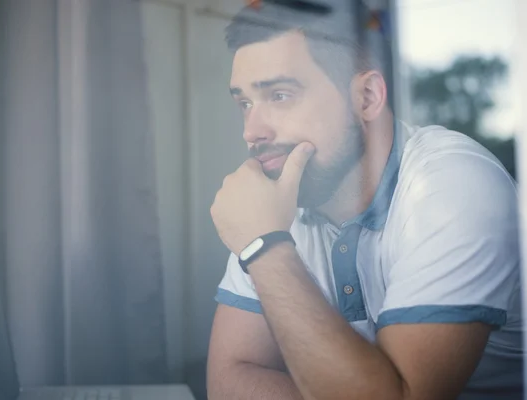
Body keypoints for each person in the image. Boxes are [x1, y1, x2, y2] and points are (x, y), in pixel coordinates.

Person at [206, 2, 523, 400]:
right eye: (245, 103)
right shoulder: (276, 199)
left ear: (368, 97)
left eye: (281, 95)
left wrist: (265, 247)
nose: (251, 131)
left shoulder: (453, 184)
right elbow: (229, 378)